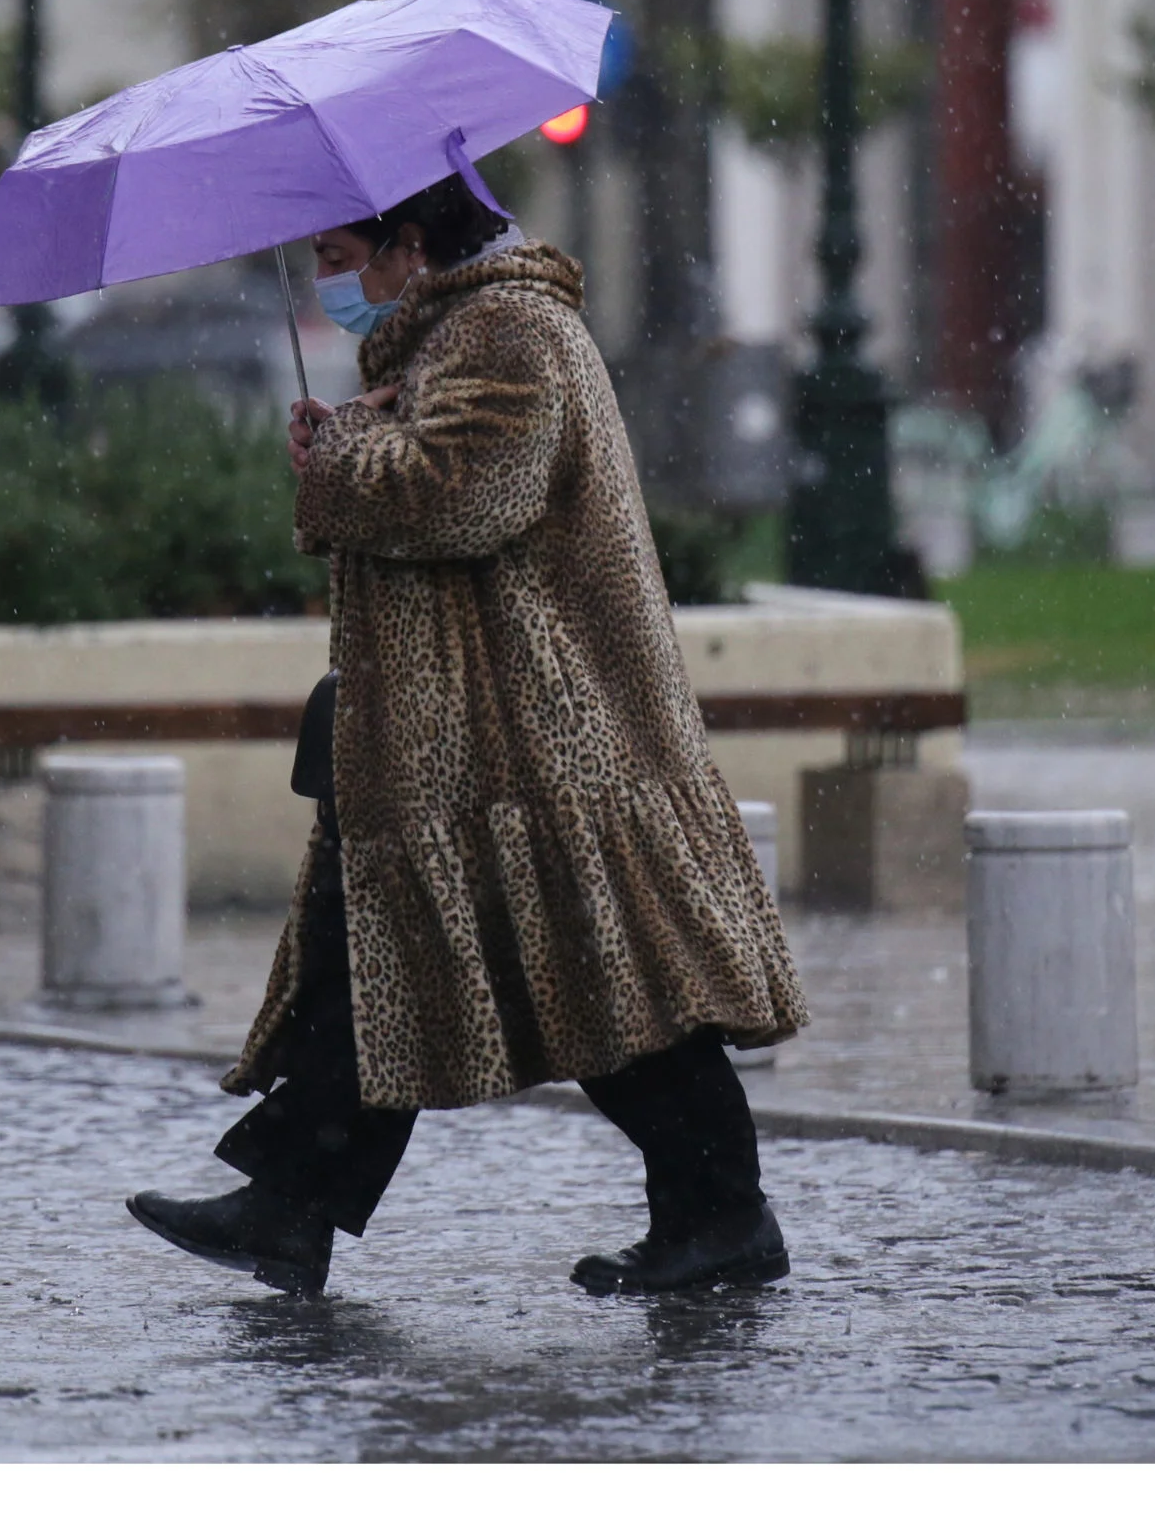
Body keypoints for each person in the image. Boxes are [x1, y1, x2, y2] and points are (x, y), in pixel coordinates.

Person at [127, 174, 807, 1298]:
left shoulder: (508, 329)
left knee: (606, 987)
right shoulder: (454, 334)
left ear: (407, 244)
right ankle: (288, 1207)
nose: (327, 281)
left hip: (536, 734)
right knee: (382, 968)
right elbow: (443, 464)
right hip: (453, 739)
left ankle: (720, 1216)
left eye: (339, 256)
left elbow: (464, 493)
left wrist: (342, 459)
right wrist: (357, 430)